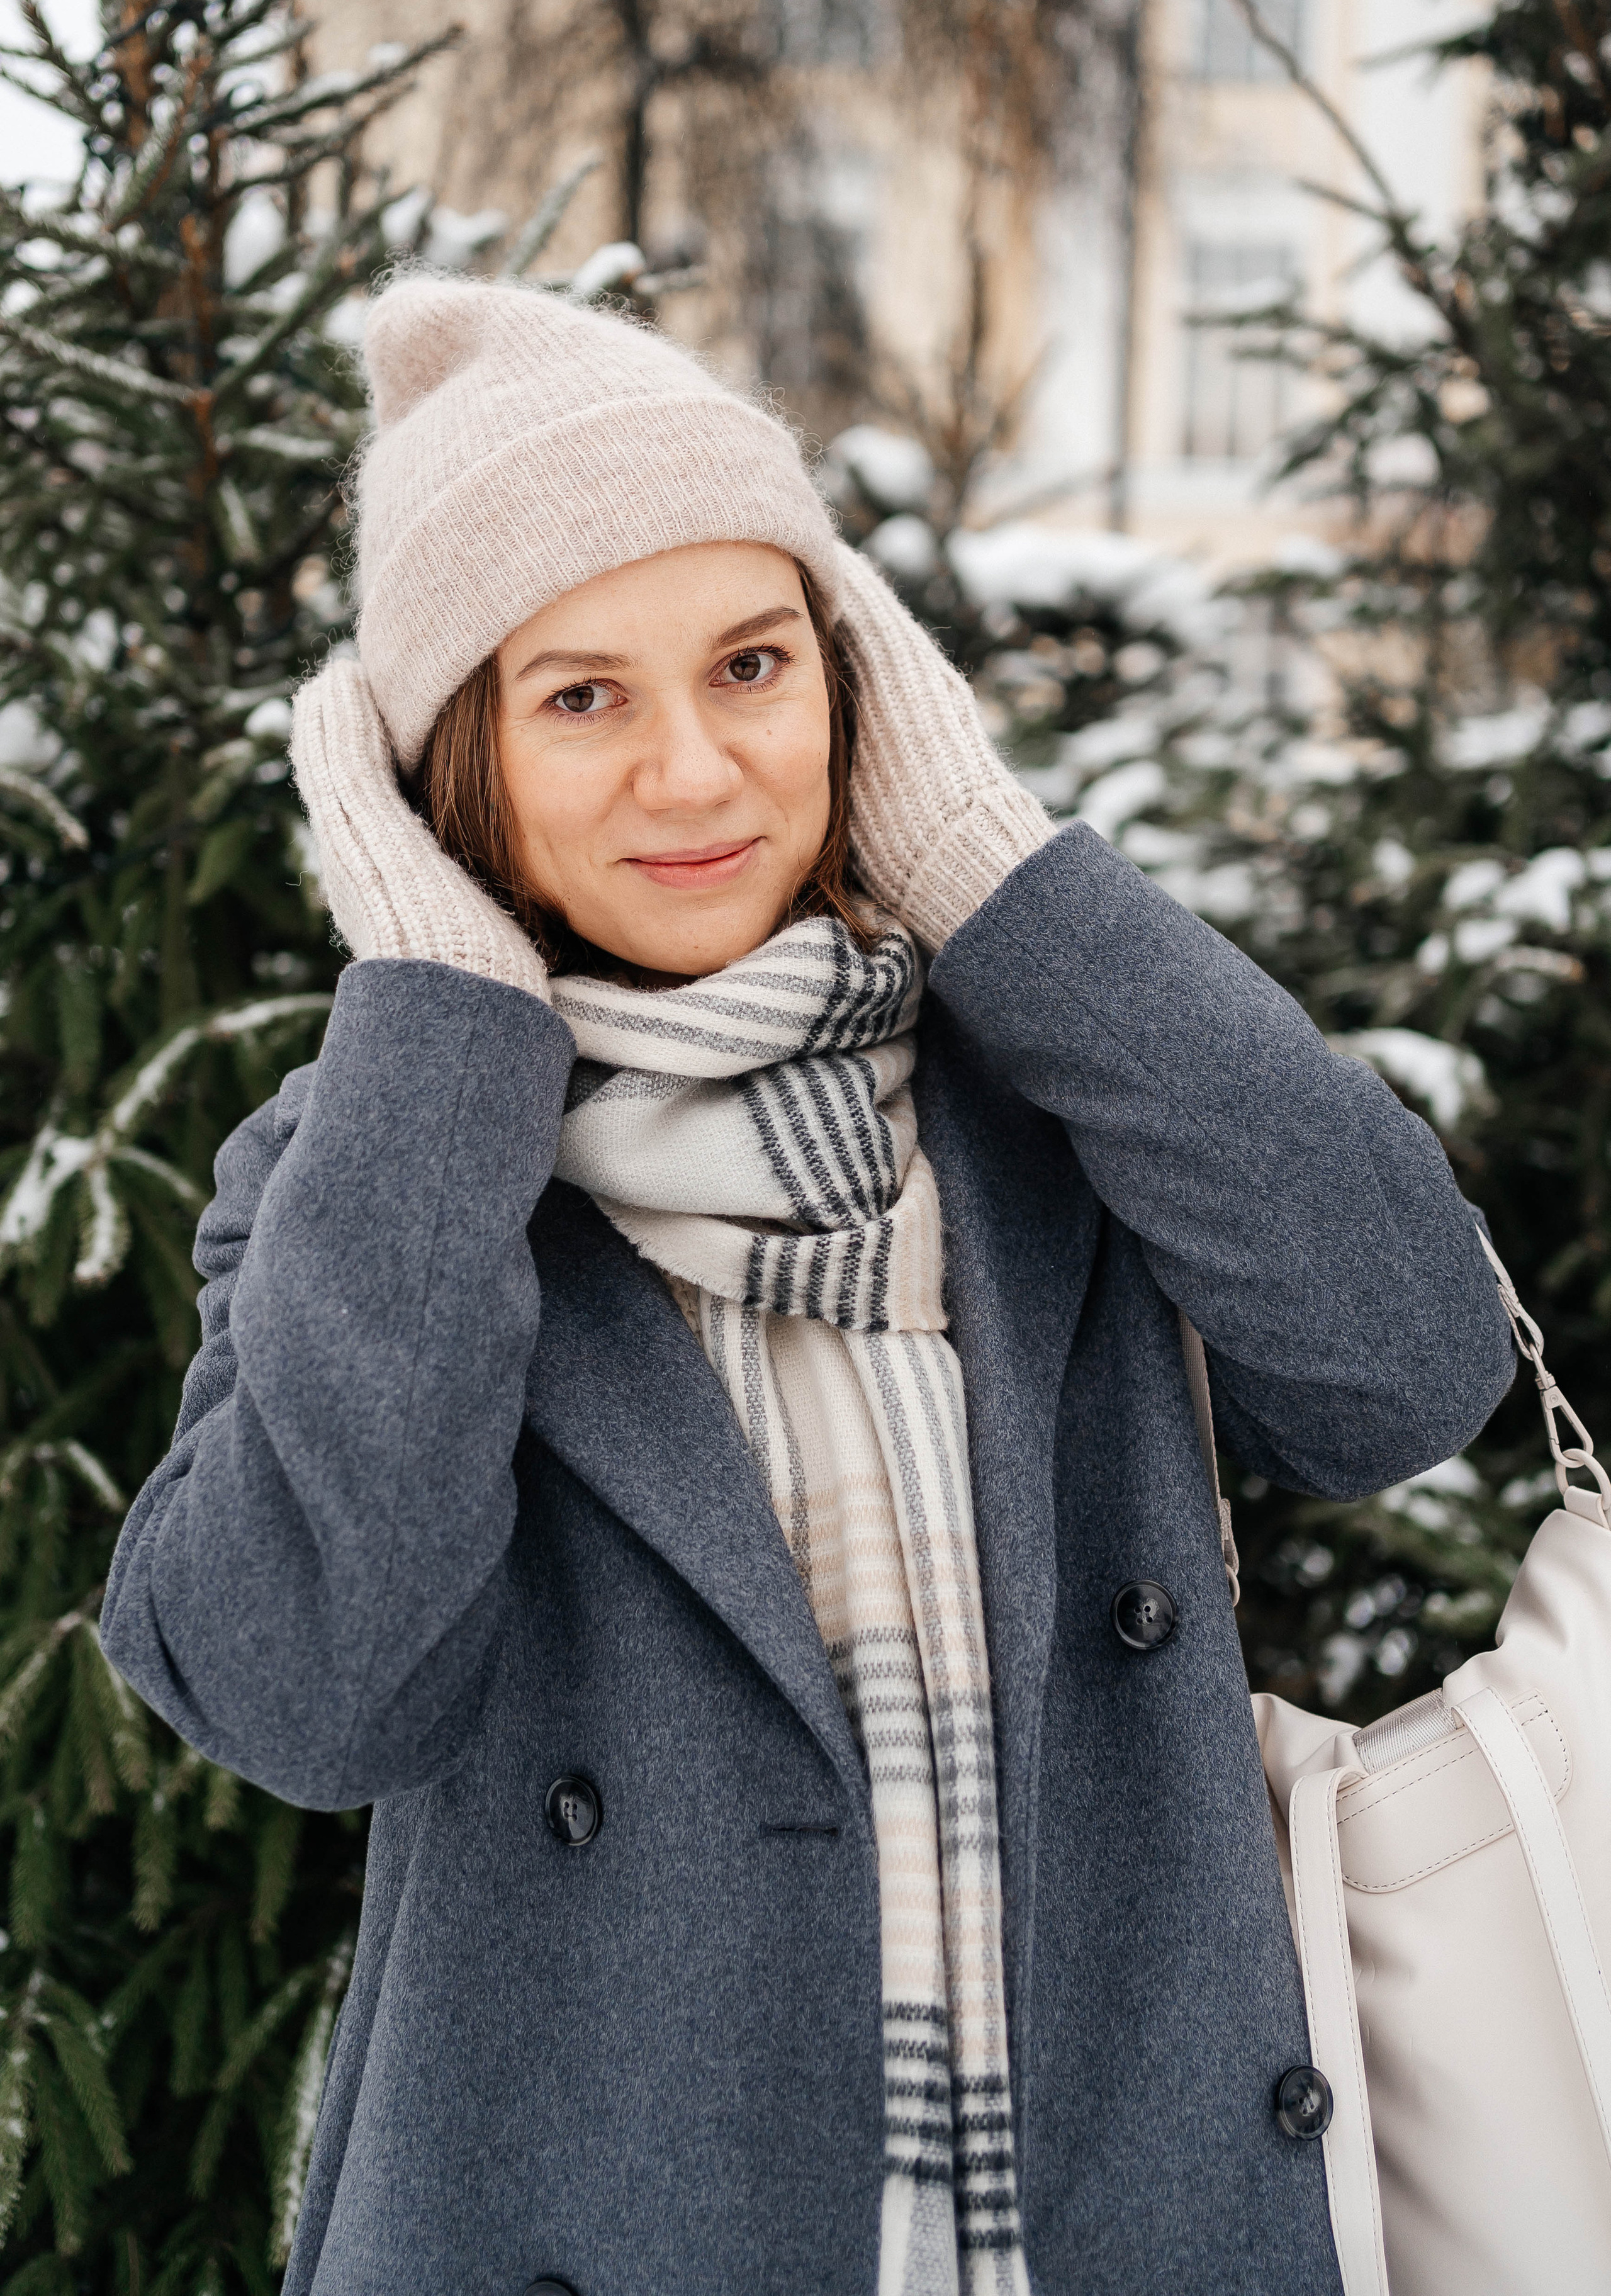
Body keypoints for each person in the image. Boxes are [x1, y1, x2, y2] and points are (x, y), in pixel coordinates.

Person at [100, 273, 1515, 2296]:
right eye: (581, 696)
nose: (695, 774)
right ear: (451, 766)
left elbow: (1404, 1368)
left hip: (1119, 2221)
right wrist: (433, 1020)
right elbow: (312, 1692)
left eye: (753, 666)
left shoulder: (1051, 1104)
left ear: (857, 684)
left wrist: (999, 877)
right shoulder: (369, 1180)